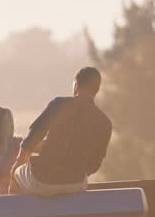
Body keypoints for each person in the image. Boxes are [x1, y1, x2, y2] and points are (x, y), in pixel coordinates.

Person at [9, 67, 112, 196]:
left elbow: (34, 135)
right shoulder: (105, 122)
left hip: (42, 179)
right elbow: (95, 163)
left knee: (16, 176)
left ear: (76, 86)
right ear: (96, 90)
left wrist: (18, 162)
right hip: (77, 184)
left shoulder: (59, 104)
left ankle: (20, 216)